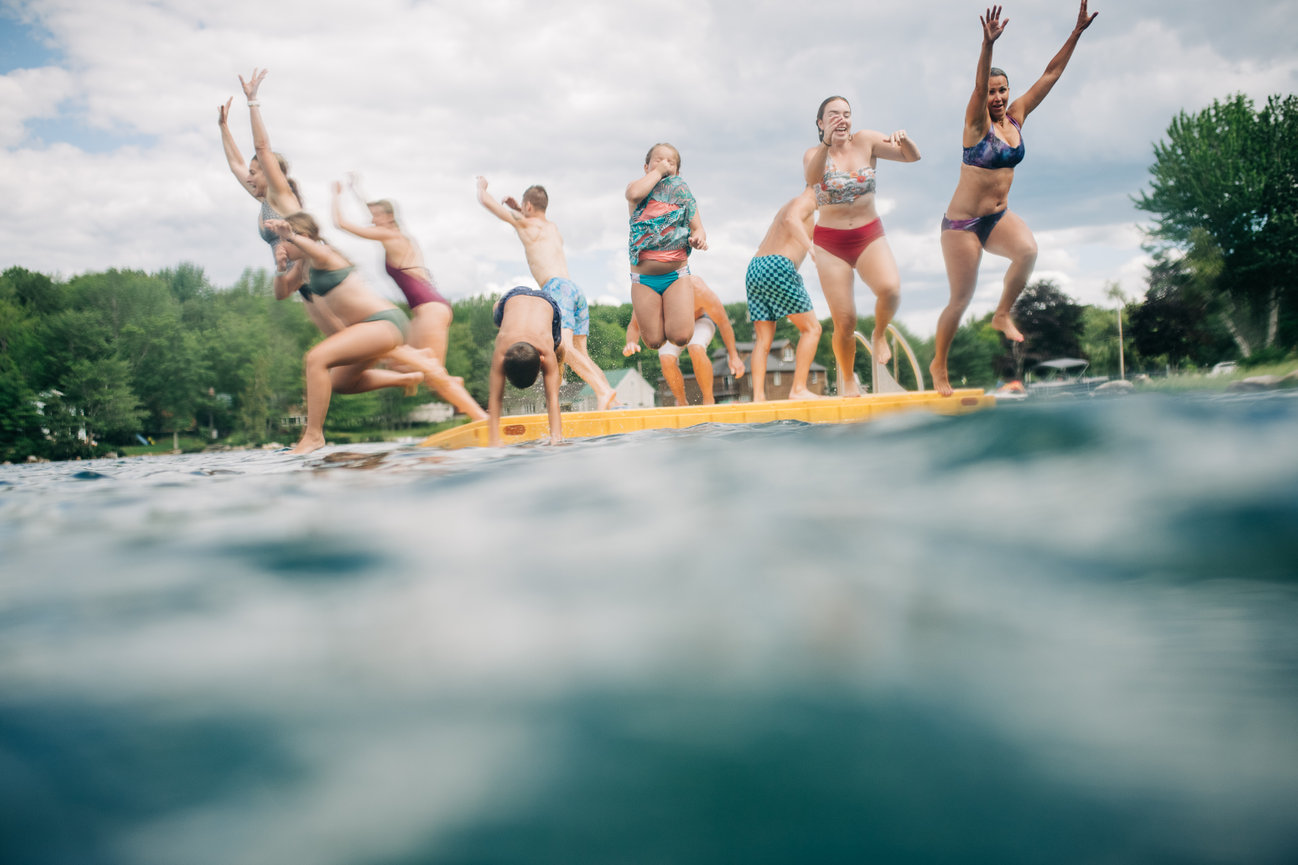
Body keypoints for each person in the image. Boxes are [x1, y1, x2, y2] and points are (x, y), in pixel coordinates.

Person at [930, 2, 1099, 396]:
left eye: (1002, 89)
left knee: (1027, 251)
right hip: (962, 225)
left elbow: (1051, 74)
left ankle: (1001, 314)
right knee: (960, 299)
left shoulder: (1017, 115)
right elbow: (976, 88)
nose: (997, 97)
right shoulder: (976, 125)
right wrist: (986, 44)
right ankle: (940, 364)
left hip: (998, 217)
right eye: (991, 92)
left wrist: (1076, 33)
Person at [269, 213, 485, 454]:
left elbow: (313, 249)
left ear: (304, 237)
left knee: (315, 359)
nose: (281, 245)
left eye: (284, 241)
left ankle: (313, 436)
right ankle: (409, 378)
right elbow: (281, 293)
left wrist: (291, 235)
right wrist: (280, 269)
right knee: (339, 382)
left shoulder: (324, 253)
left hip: (383, 323)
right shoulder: (302, 266)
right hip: (368, 330)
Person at [803, 96, 920, 396]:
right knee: (845, 321)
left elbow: (912, 158)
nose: (841, 119)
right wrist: (827, 145)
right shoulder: (814, 155)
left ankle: (879, 334)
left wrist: (904, 140)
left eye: (846, 114)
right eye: (833, 115)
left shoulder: (866, 141)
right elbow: (813, 179)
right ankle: (848, 379)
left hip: (869, 235)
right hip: (831, 243)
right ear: (820, 123)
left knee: (890, 289)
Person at [217, 68, 343, 336]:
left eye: (254, 173)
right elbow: (236, 165)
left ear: (268, 171)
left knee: (346, 341)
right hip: (300, 281)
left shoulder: (280, 194)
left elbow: (262, 149)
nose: (249, 179)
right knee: (337, 345)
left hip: (314, 270)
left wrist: (252, 102)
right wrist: (224, 128)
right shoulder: (262, 196)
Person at [475, 177, 620, 409]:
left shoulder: (525, 224)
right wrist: (518, 208)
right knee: (581, 354)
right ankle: (613, 400)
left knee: (566, 348)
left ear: (528, 207)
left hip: (556, 288)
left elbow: (485, 201)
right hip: (574, 290)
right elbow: (533, 220)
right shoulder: (552, 227)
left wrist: (482, 186)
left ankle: (603, 391)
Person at [332, 174, 454, 363]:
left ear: (389, 217)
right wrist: (356, 190)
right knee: (401, 367)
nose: (372, 220)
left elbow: (341, 224)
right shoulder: (396, 234)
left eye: (376, 217)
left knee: (434, 374)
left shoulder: (389, 236)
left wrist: (336, 195)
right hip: (425, 310)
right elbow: (371, 210)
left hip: (431, 309)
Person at [745, 188, 825, 402]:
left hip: (756, 267)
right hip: (778, 266)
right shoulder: (805, 201)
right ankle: (798, 389)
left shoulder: (790, 205)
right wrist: (811, 249)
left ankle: (758, 397)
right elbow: (791, 220)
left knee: (763, 340)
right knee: (812, 329)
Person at [625, 143, 705, 352]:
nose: (664, 163)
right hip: (644, 280)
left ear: (677, 172)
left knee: (680, 337)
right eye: (658, 160)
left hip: (675, 275)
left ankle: (675, 315)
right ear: (646, 167)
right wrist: (660, 171)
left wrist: (698, 238)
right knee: (653, 342)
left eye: (670, 162)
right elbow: (633, 194)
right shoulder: (638, 190)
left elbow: (699, 229)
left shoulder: (683, 195)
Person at [623, 277, 744, 406]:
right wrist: (631, 342)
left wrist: (733, 355)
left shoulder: (697, 289)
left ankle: (708, 399)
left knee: (695, 347)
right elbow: (634, 326)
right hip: (671, 325)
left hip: (699, 320)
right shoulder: (651, 293)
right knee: (666, 359)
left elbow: (723, 321)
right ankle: (681, 402)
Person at [487, 287, 566, 447]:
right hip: (517, 298)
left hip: (540, 301)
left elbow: (495, 398)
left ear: (541, 361)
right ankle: (498, 306)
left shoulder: (545, 351)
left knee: (558, 347)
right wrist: (556, 439)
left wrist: (557, 438)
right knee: (500, 317)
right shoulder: (502, 350)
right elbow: (552, 399)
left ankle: (499, 307)